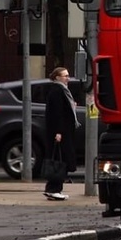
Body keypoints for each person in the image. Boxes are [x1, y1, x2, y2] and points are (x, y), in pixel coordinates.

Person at [43, 67, 80, 201]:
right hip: (61, 132)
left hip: (62, 131)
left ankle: (52, 188)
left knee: (59, 159)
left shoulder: (59, 90)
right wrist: (58, 131)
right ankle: (54, 189)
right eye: (65, 76)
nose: (67, 78)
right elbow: (57, 113)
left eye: (68, 75)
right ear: (57, 77)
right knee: (60, 161)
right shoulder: (58, 91)